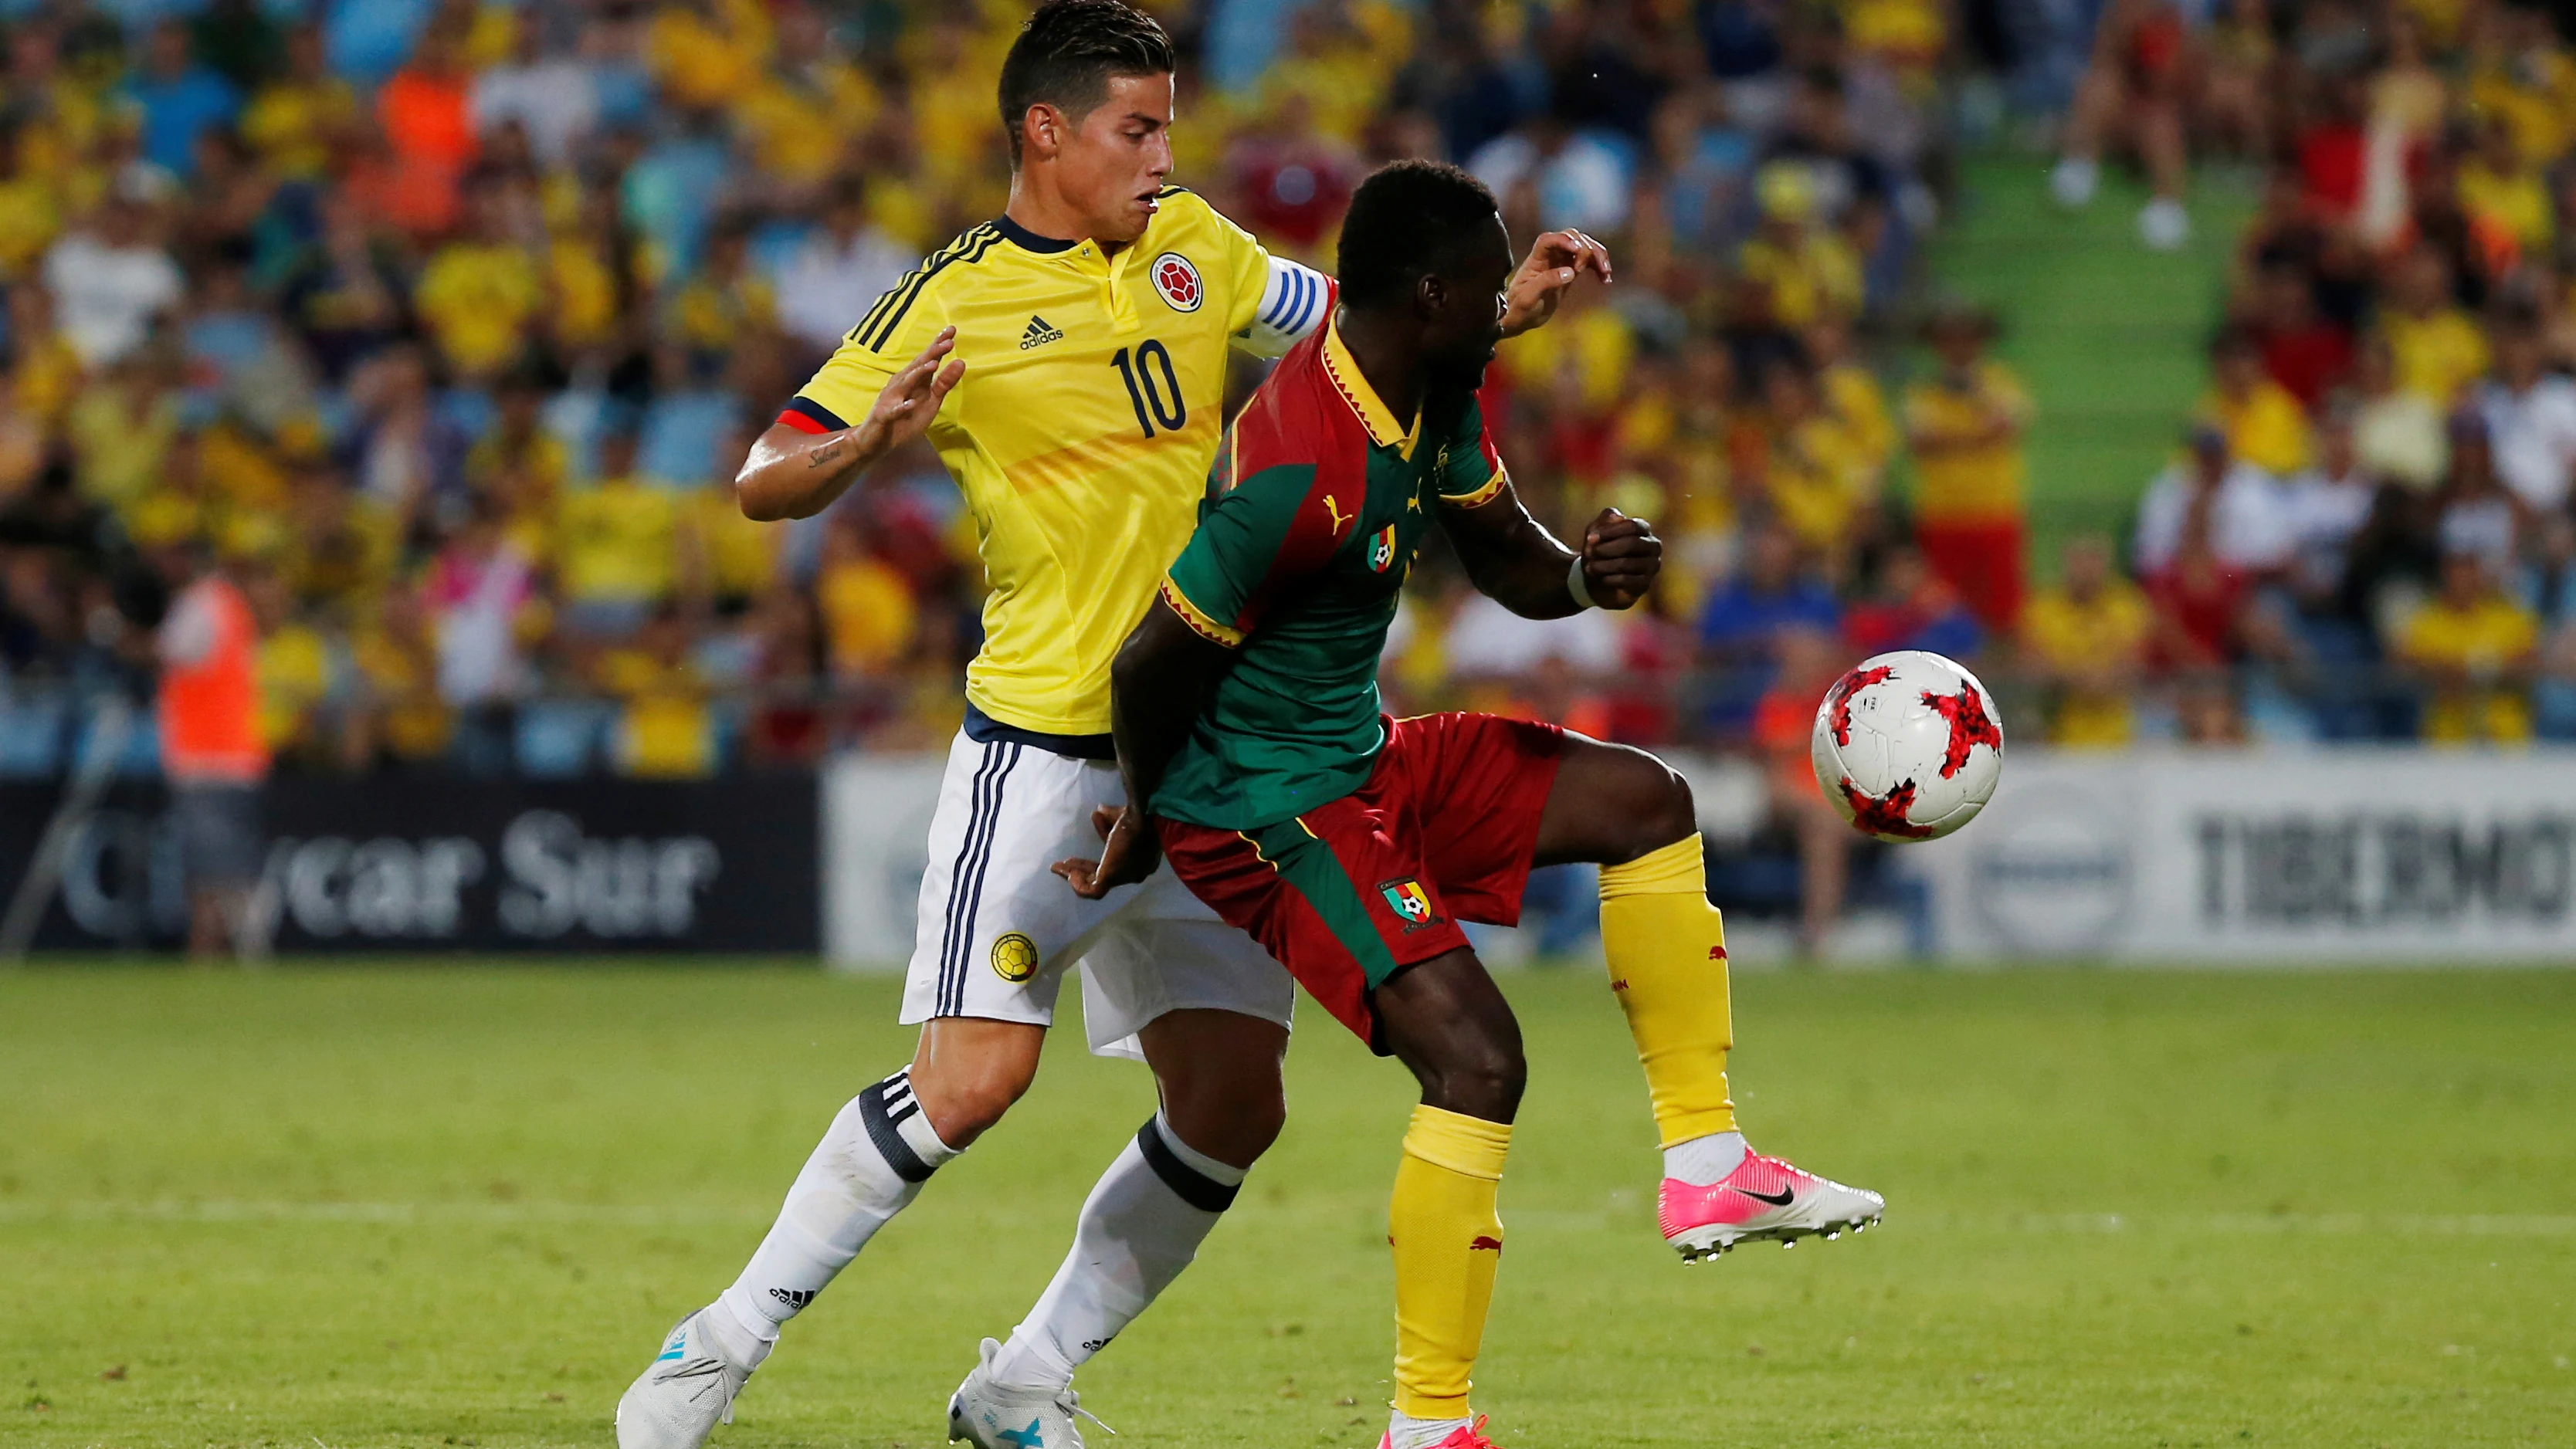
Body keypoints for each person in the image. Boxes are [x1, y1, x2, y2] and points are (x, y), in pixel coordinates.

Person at [612, 7, 1612, 1448]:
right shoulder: (948, 295)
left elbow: (1361, 329)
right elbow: (764, 477)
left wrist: (1502, 300)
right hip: (1047, 753)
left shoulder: (1198, 243)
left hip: (1213, 763)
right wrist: (866, 444)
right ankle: (718, 1342)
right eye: (1136, 130)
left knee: (1233, 1100)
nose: (1162, 157)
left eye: (1167, 129)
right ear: (1048, 131)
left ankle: (1024, 1379)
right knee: (974, 1080)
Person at [1062, 160, 1882, 1449]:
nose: (1507, 301)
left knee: (1647, 801)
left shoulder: (1430, 373)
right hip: (1265, 804)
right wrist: (1147, 819)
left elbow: (1506, 557)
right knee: (1478, 1059)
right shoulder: (1296, 467)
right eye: (1488, 281)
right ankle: (1425, 1424)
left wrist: (1588, 575)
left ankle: (1708, 1162)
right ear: (1429, 294)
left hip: (1359, 758)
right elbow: (1152, 664)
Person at [154, 543, 268, 960]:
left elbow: (170, 650)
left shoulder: (202, 602)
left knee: (212, 860)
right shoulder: (233, 606)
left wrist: (125, 637)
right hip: (236, 751)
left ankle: (223, 944)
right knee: (224, 855)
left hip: (207, 754)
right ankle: (216, 944)